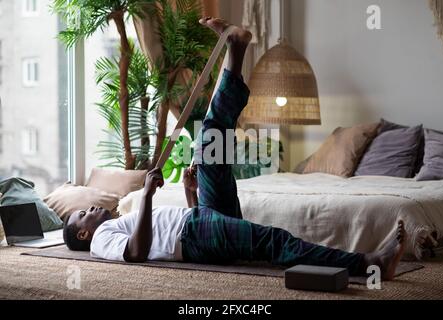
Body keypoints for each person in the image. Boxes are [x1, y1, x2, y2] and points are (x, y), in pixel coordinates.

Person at [63, 17, 407, 280]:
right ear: (83, 232)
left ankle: (236, 47)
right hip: (198, 236)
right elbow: (138, 253)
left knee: (212, 141)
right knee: (275, 242)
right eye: (82, 214)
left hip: (198, 219)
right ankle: (367, 263)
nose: (89, 207)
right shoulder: (101, 239)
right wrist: (149, 196)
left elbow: (161, 242)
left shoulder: (121, 221)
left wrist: (190, 195)